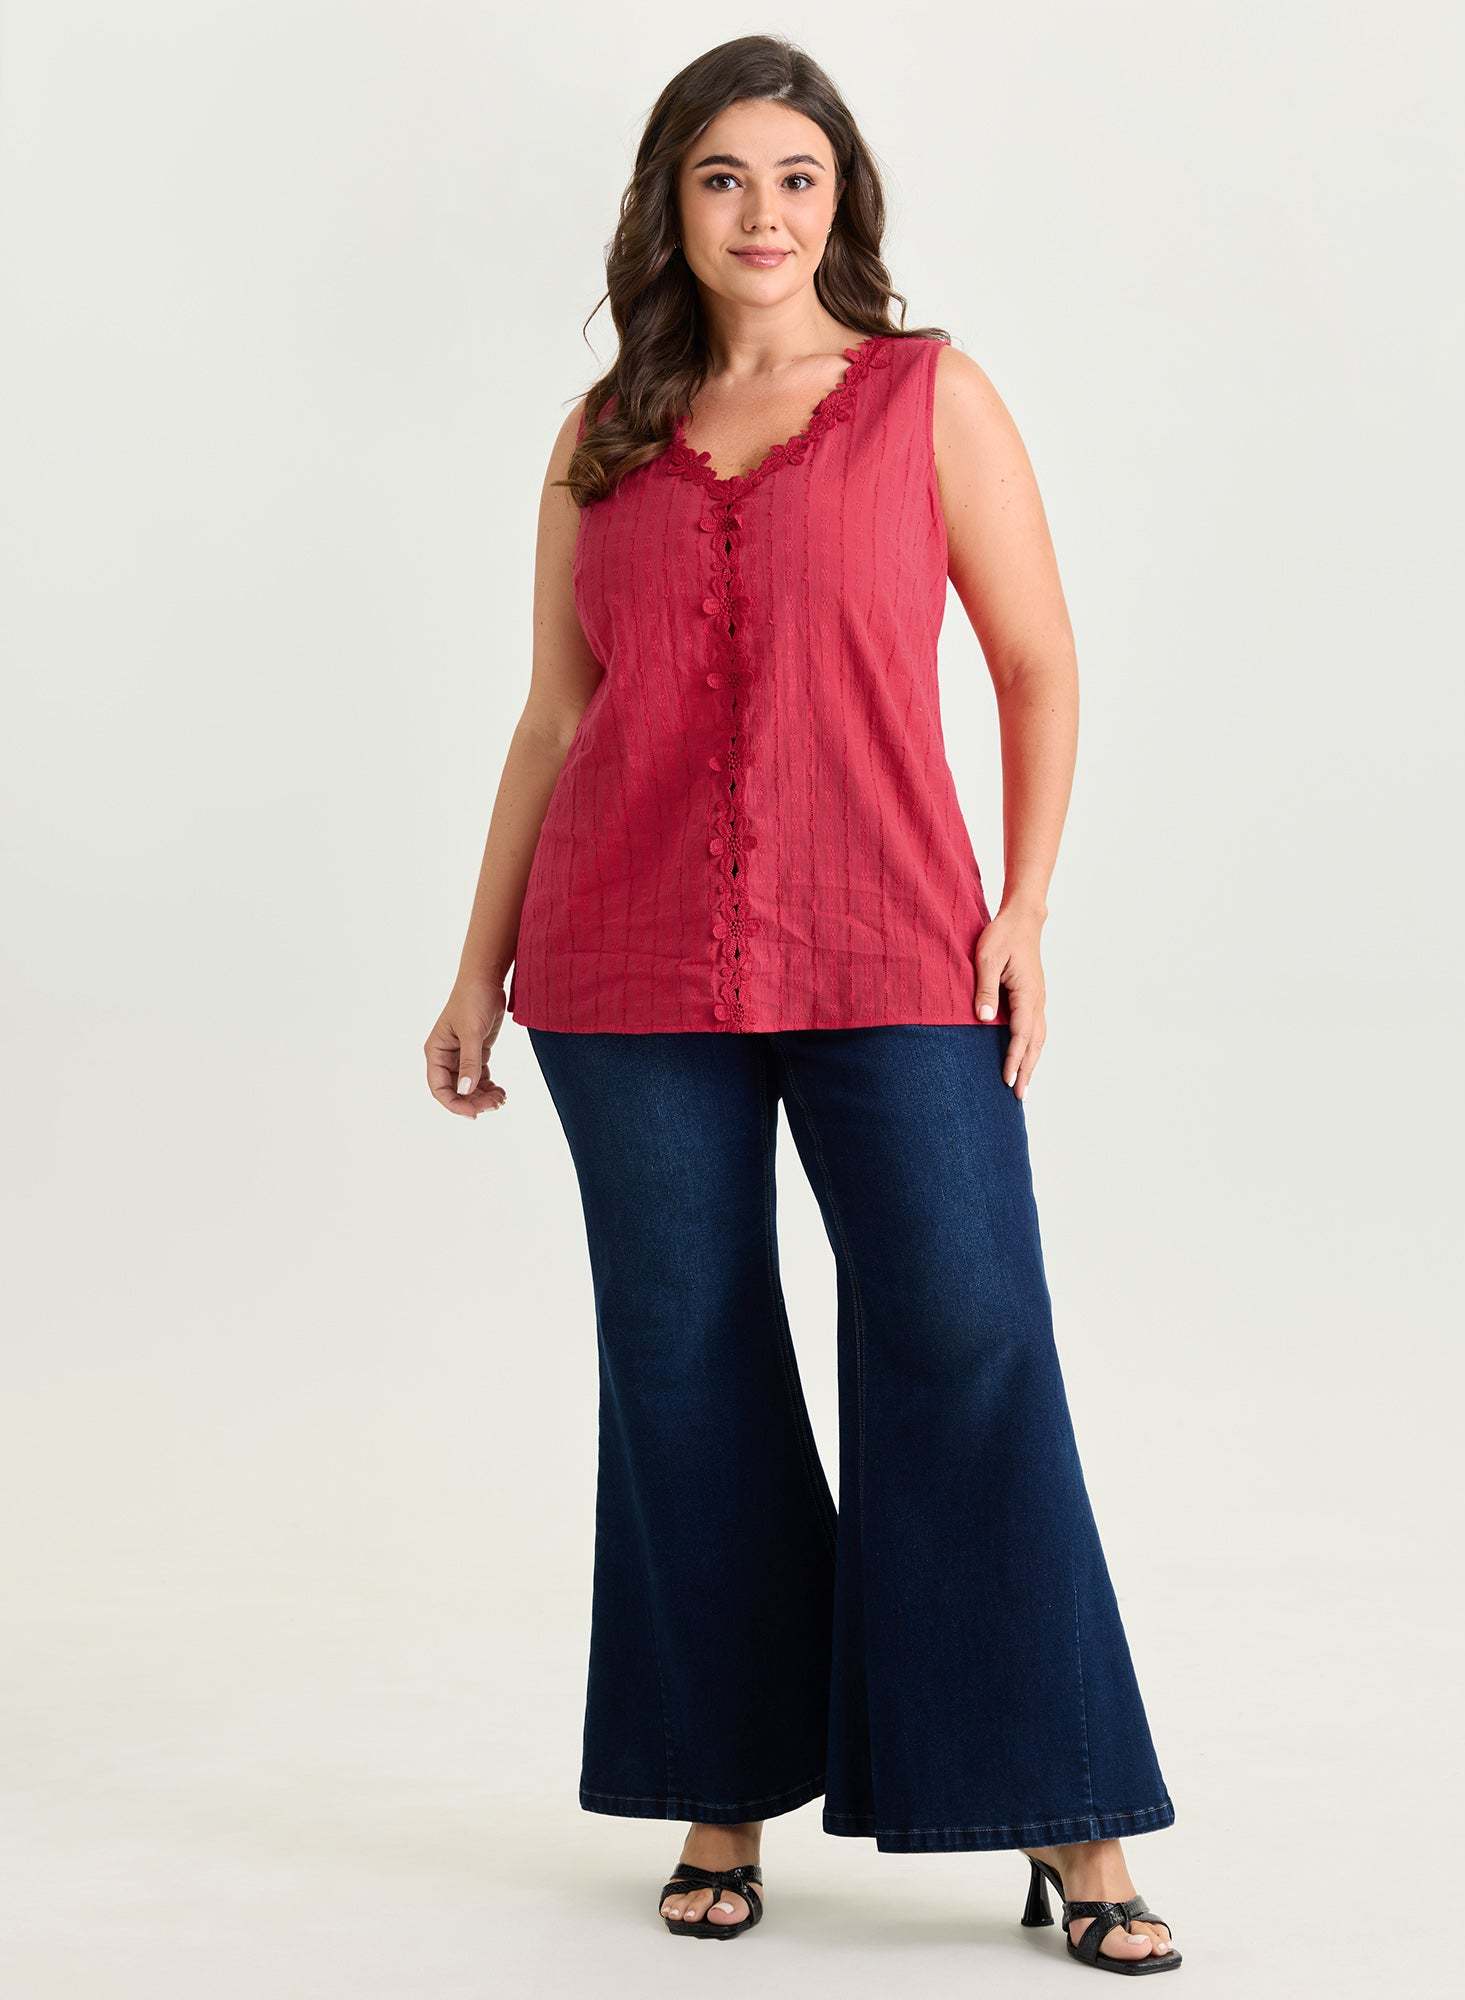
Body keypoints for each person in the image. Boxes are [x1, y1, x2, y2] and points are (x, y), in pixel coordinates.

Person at [425, 35, 1181, 1977]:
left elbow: (1037, 661)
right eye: (722, 177)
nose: (762, 212)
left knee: (968, 1334)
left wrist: (1025, 907)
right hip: (620, 964)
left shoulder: (930, 398)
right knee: (685, 1366)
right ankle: (722, 1787)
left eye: (796, 176)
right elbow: (555, 716)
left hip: (892, 944)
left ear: (842, 201)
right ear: (667, 208)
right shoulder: (602, 432)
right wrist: (475, 964)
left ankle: (1068, 1811)